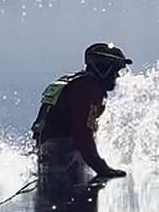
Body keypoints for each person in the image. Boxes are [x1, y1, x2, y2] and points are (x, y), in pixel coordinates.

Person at [31, 42, 131, 188]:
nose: (116, 76)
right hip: (63, 159)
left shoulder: (68, 81)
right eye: (115, 71)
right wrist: (102, 169)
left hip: (48, 154)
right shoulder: (87, 89)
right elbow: (82, 135)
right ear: (103, 68)